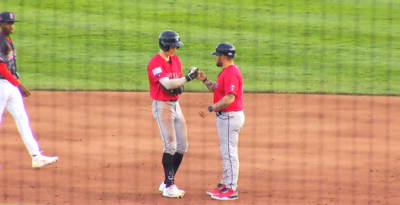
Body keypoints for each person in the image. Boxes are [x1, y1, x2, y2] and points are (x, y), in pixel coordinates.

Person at [0, 12, 58, 168]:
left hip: (10, 86)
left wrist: (15, 84)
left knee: (22, 118)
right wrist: (19, 85)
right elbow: (2, 69)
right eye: (8, 23)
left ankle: (36, 156)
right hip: (2, 87)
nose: (11, 26)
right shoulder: (0, 42)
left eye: (12, 23)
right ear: (1, 24)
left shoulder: (7, 40)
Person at [147, 30, 198, 198]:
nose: (176, 49)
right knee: (170, 146)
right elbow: (167, 84)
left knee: (182, 146)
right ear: (166, 46)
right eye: (174, 46)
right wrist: (188, 78)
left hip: (176, 106)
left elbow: (177, 85)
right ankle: (170, 185)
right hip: (162, 107)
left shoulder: (175, 60)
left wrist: (182, 83)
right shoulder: (155, 63)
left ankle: (166, 182)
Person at [197, 43, 245, 200]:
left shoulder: (231, 73)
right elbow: (217, 90)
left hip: (230, 117)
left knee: (229, 153)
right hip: (226, 117)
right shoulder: (225, 72)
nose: (215, 57)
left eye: (216, 55)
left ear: (223, 56)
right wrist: (204, 80)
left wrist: (211, 108)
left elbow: (230, 98)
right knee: (225, 151)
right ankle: (225, 184)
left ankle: (231, 189)